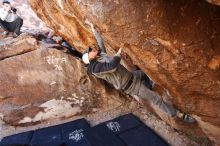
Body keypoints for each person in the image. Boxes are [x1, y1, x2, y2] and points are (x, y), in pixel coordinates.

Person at [82, 21, 196, 124]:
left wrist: (93, 29)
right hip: (131, 86)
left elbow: (100, 42)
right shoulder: (96, 69)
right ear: (89, 58)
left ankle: (149, 86)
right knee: (156, 98)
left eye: (91, 49)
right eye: (90, 51)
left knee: (141, 73)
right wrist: (118, 54)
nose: (92, 49)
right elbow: (112, 67)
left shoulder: (100, 56)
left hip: (132, 77)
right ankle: (178, 115)